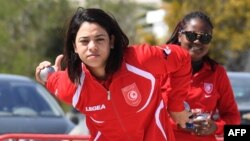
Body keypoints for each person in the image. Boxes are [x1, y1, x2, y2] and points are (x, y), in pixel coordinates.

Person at [35, 7, 192, 141]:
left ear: (111, 41)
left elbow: (183, 58)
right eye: (84, 41)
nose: (92, 47)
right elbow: (52, 79)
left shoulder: (142, 60)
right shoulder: (71, 85)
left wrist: (176, 105)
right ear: (74, 47)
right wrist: (47, 74)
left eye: (99, 39)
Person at [166, 11, 241, 141]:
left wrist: (215, 127)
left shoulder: (217, 72)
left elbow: (233, 117)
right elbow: (144, 113)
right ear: (179, 36)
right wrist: (180, 122)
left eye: (205, 37)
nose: (197, 41)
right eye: (191, 35)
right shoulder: (162, 68)